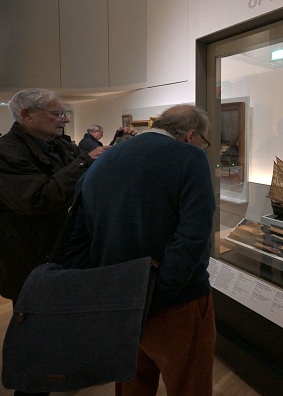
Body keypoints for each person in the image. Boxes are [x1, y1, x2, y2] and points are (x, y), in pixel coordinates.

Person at [64, 104, 216, 395]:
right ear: (191, 135)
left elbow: (78, 236)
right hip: (176, 303)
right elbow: (194, 238)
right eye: (203, 141)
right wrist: (162, 293)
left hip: (119, 298)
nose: (202, 147)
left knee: (132, 386)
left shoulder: (104, 160)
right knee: (189, 385)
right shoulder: (190, 157)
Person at [0, 88, 108, 396]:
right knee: (34, 336)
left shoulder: (60, 145)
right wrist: (85, 163)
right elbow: (36, 199)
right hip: (30, 261)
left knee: (63, 325)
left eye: (65, 114)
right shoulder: (6, 152)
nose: (63, 120)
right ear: (27, 115)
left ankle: (63, 374)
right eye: (56, 114)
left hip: (66, 254)